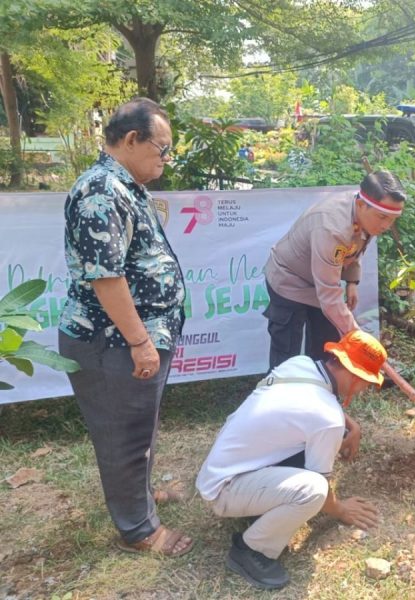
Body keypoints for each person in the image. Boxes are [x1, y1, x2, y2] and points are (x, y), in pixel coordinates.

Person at [58, 98, 192, 557]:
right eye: (162, 148)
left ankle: (140, 496)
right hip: (111, 342)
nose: (166, 158)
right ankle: (138, 529)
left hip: (132, 340)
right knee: (123, 435)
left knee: (140, 428)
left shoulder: (126, 185)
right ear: (132, 139)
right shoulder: (101, 191)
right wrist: (140, 342)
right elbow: (106, 279)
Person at [196, 330, 385, 590]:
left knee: (305, 458)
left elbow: (314, 402)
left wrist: (351, 425)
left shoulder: (300, 363)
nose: (365, 390)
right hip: (225, 491)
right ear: (355, 376)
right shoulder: (327, 418)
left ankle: (261, 509)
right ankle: (251, 550)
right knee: (314, 490)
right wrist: (340, 509)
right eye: (366, 383)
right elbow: (323, 483)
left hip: (220, 471)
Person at [263, 170, 405, 370]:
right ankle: (281, 396)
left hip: (320, 281)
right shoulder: (332, 227)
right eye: (382, 217)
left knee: (326, 348)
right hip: (289, 280)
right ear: (361, 204)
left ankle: (321, 394)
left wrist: (352, 281)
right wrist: (358, 338)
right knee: (286, 357)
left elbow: (355, 246)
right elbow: (329, 296)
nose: (386, 225)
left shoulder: (365, 212)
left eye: (392, 219)